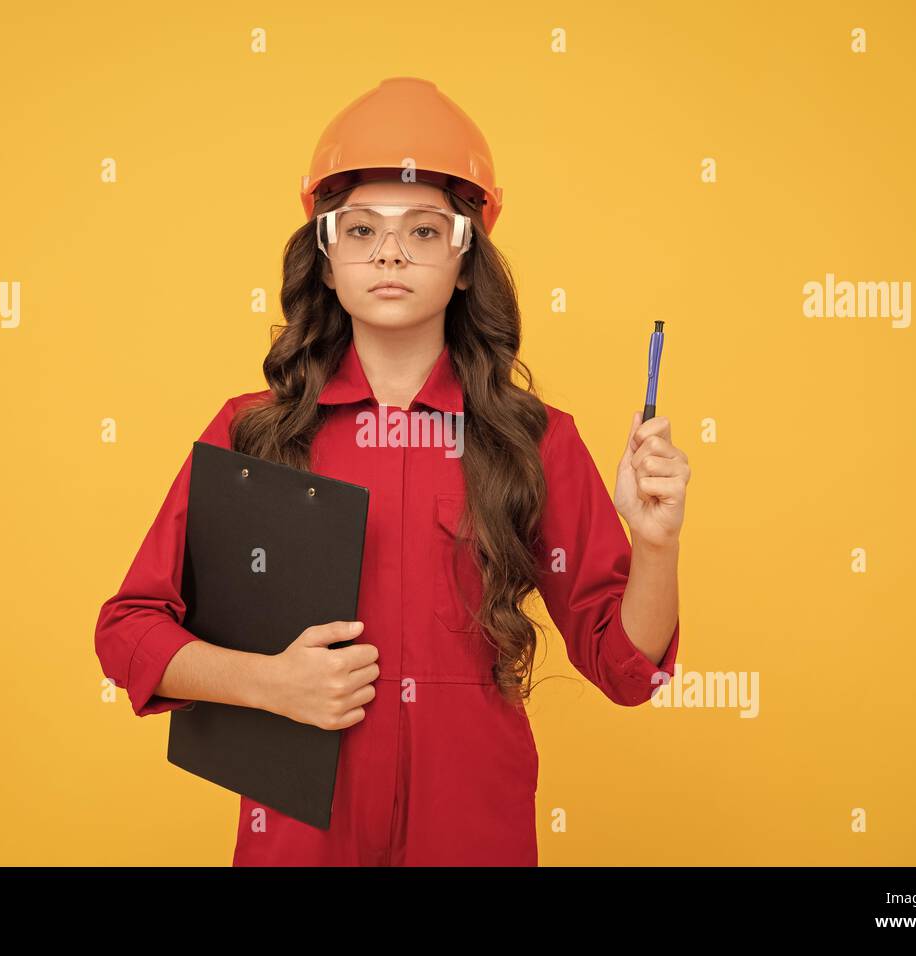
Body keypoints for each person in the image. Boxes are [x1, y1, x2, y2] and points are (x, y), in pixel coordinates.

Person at [94, 77, 689, 866]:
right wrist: (273, 684)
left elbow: (627, 671)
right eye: (362, 230)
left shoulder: (533, 440)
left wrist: (655, 547)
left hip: (474, 822)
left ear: (466, 259)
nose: (391, 254)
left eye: (424, 231)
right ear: (327, 258)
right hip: (303, 827)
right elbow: (128, 631)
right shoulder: (254, 433)